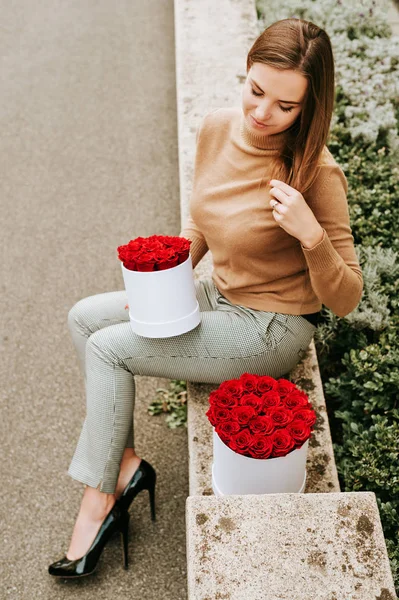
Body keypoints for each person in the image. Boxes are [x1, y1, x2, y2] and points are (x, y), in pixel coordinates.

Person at [48, 17, 363, 578]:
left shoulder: (317, 173)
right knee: (84, 319)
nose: (262, 113)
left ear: (310, 109)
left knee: (109, 350)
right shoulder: (218, 127)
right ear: (245, 74)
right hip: (217, 293)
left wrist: (310, 233)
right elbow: (201, 223)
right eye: (256, 89)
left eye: (285, 106)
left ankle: (99, 501)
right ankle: (123, 465)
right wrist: (161, 290)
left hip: (270, 326)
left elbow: (346, 299)